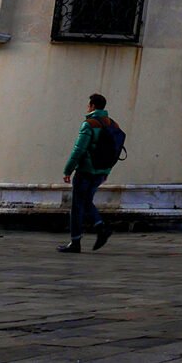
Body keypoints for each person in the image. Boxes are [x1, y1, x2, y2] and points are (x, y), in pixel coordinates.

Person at [60, 92, 115, 253]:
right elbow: (115, 151)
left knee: (77, 205)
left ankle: (75, 242)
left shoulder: (89, 124)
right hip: (101, 172)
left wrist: (68, 170)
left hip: (86, 171)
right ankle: (100, 227)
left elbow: (79, 150)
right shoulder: (112, 124)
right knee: (85, 201)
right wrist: (107, 171)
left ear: (91, 106)